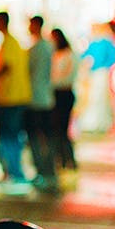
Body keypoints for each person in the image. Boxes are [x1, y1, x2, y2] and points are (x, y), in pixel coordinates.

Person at [0, 10, 31, 189]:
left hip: (11, 98)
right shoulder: (10, 42)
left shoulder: (9, 43)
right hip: (12, 97)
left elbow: (7, 66)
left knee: (9, 136)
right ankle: (11, 171)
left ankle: (14, 171)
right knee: (10, 136)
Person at [25, 15, 58, 191]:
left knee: (36, 137)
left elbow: (29, 71)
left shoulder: (37, 49)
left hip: (35, 99)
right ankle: (49, 172)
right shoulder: (48, 47)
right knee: (47, 136)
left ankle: (43, 171)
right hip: (47, 98)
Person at [50, 27, 78, 174]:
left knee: (62, 129)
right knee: (57, 128)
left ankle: (68, 159)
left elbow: (66, 77)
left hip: (64, 94)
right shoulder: (55, 55)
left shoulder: (68, 55)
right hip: (56, 93)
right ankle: (61, 159)